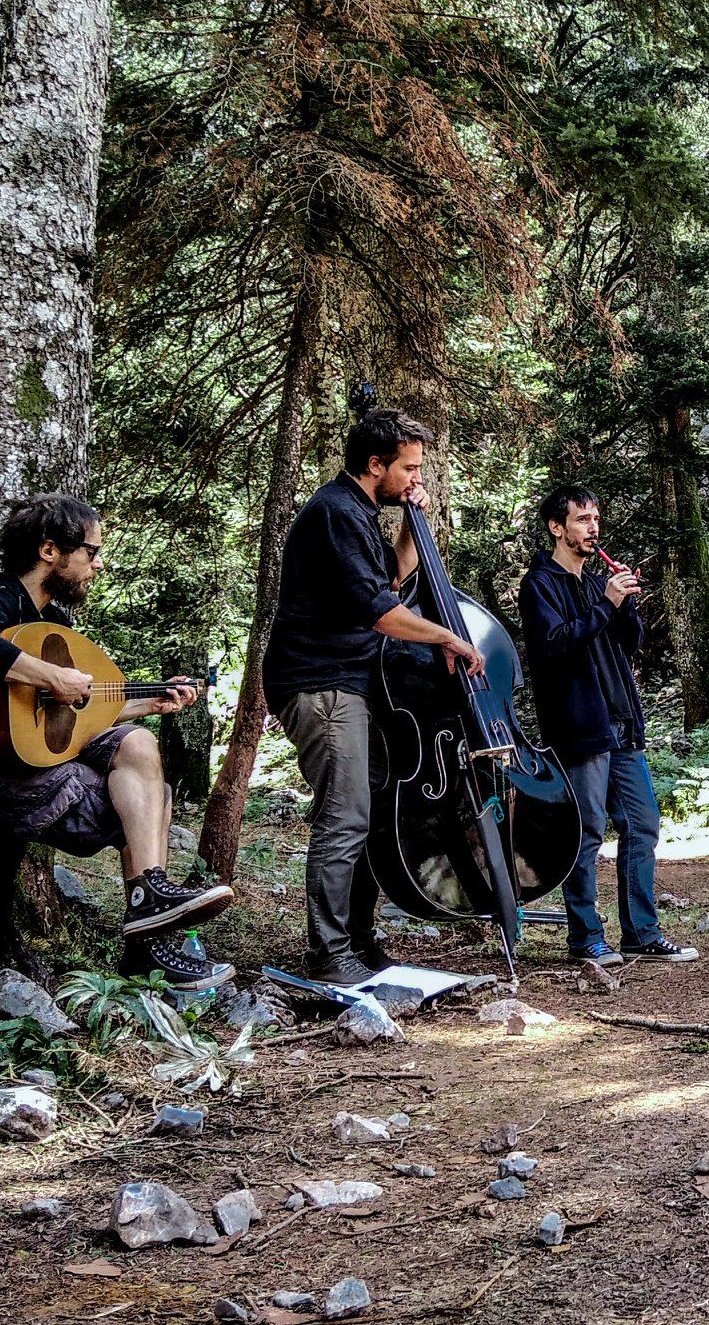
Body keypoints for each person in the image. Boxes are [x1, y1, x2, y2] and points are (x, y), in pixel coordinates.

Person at [0, 495, 232, 990]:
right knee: (150, 805)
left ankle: (149, 901)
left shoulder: (54, 624)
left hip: (29, 759)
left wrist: (149, 702)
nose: (98, 564)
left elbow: (70, 716)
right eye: (91, 552)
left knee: (140, 746)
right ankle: (149, 947)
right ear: (49, 551)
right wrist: (51, 675)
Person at [264, 407, 487, 988]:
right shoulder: (336, 513)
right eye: (409, 469)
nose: (416, 478)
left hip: (350, 684)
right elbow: (380, 612)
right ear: (374, 465)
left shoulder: (358, 511)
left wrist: (414, 523)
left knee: (370, 816)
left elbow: (388, 579)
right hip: (321, 684)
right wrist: (447, 637)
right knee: (345, 818)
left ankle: (360, 940)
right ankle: (330, 952)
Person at [519, 486, 696, 969]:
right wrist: (605, 605)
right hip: (579, 727)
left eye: (596, 518)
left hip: (622, 723)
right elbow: (555, 646)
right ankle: (586, 939)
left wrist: (625, 605)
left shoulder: (598, 582)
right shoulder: (539, 584)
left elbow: (628, 644)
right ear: (558, 527)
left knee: (643, 824)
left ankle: (642, 933)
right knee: (587, 830)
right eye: (582, 519)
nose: (592, 528)